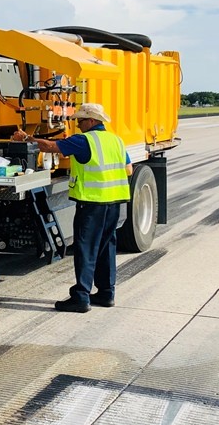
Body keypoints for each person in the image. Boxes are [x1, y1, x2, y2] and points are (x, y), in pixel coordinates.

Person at [12, 102, 131, 313]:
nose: (78, 125)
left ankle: (81, 297)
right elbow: (128, 169)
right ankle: (106, 293)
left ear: (92, 121)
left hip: (92, 203)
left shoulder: (85, 140)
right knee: (106, 247)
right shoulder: (116, 141)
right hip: (114, 203)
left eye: (81, 120)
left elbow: (50, 147)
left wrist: (28, 138)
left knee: (85, 249)